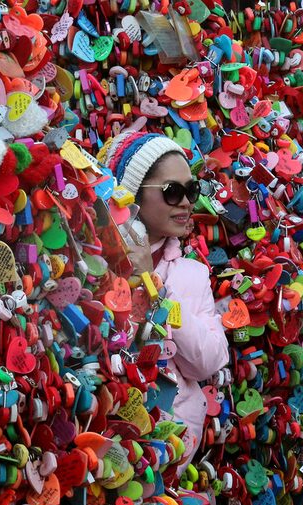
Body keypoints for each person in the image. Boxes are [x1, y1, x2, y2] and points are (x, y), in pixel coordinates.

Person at [99, 131, 231, 472]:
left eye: (192, 191)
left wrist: (153, 288)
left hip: (166, 453)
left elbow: (208, 361)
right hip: (99, 439)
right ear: (131, 195)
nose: (187, 203)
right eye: (173, 192)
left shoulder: (193, 274)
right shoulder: (94, 260)